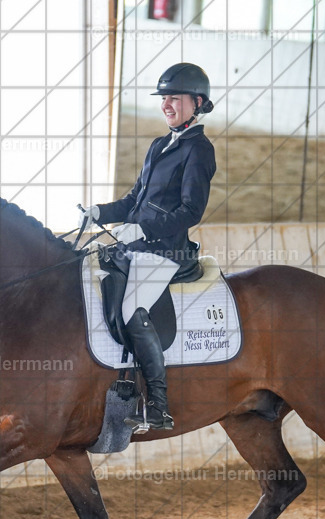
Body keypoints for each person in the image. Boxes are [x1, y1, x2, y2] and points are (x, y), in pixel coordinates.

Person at [81, 63, 217, 431]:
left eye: (174, 98)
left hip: (167, 251)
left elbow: (191, 211)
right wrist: (100, 212)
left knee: (132, 309)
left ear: (197, 102)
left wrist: (143, 226)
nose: (167, 105)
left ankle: (158, 405)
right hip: (138, 246)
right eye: (164, 99)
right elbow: (132, 200)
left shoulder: (199, 150)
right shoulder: (160, 145)